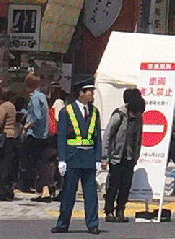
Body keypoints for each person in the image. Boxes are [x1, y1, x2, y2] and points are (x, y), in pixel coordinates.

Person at [52, 79, 102, 235]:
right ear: (81, 93)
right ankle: (63, 224)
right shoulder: (66, 111)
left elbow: (97, 138)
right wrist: (61, 160)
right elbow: (61, 137)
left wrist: (99, 159)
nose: (92, 94)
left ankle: (93, 224)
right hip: (72, 157)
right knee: (68, 193)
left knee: (91, 194)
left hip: (88, 157)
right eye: (90, 92)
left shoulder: (94, 112)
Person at [103, 88, 145, 223]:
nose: (137, 114)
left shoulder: (139, 117)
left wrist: (136, 155)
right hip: (117, 156)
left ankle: (120, 209)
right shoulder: (119, 115)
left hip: (130, 157)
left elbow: (139, 138)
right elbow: (107, 135)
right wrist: (104, 156)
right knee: (114, 185)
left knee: (126, 185)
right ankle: (109, 210)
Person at [23, 74, 51, 200]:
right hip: (43, 134)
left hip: (35, 135)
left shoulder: (34, 98)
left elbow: (36, 116)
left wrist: (27, 126)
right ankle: (45, 188)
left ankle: (43, 188)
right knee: (42, 161)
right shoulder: (43, 97)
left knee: (35, 162)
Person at [0, 86, 18, 201]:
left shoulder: (4, 106)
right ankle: (8, 189)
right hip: (12, 136)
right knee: (7, 164)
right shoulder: (12, 105)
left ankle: (1, 191)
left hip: (3, 137)